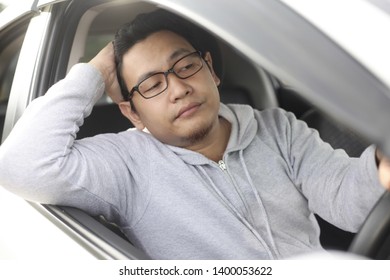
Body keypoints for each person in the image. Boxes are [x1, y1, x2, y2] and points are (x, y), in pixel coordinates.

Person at [0, 9, 389, 260]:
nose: (178, 88)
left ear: (211, 70)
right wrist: (98, 69)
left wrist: (379, 166)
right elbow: (20, 165)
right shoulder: (125, 165)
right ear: (132, 113)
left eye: (185, 65)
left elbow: (348, 202)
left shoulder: (277, 128)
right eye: (152, 84)